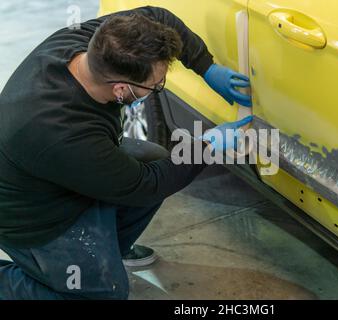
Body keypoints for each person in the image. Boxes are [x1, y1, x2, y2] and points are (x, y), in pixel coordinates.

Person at [0, 6, 252, 300]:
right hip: (31, 214)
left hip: (54, 169)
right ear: (121, 89)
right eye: (156, 86)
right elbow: (146, 186)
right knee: (103, 295)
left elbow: (159, 17)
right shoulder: (60, 129)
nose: (159, 87)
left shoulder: (96, 43)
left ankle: (104, 254)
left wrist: (206, 67)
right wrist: (207, 147)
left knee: (156, 158)